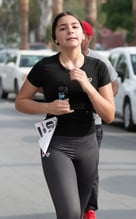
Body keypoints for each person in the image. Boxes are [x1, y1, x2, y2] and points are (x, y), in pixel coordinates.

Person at [15, 11, 115, 219]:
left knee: (78, 212)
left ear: (83, 35)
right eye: (63, 28)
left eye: (74, 26)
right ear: (56, 39)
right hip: (56, 144)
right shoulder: (45, 67)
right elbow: (20, 102)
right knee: (69, 213)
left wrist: (88, 86)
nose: (70, 30)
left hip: (88, 144)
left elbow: (109, 115)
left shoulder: (98, 67)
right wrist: (48, 108)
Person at [81, 21, 119, 219]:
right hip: (65, 125)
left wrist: (102, 100)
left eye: (81, 34)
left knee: (90, 168)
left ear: (88, 37)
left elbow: (114, 83)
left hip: (93, 124)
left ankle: (89, 209)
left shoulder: (99, 61)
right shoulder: (59, 61)